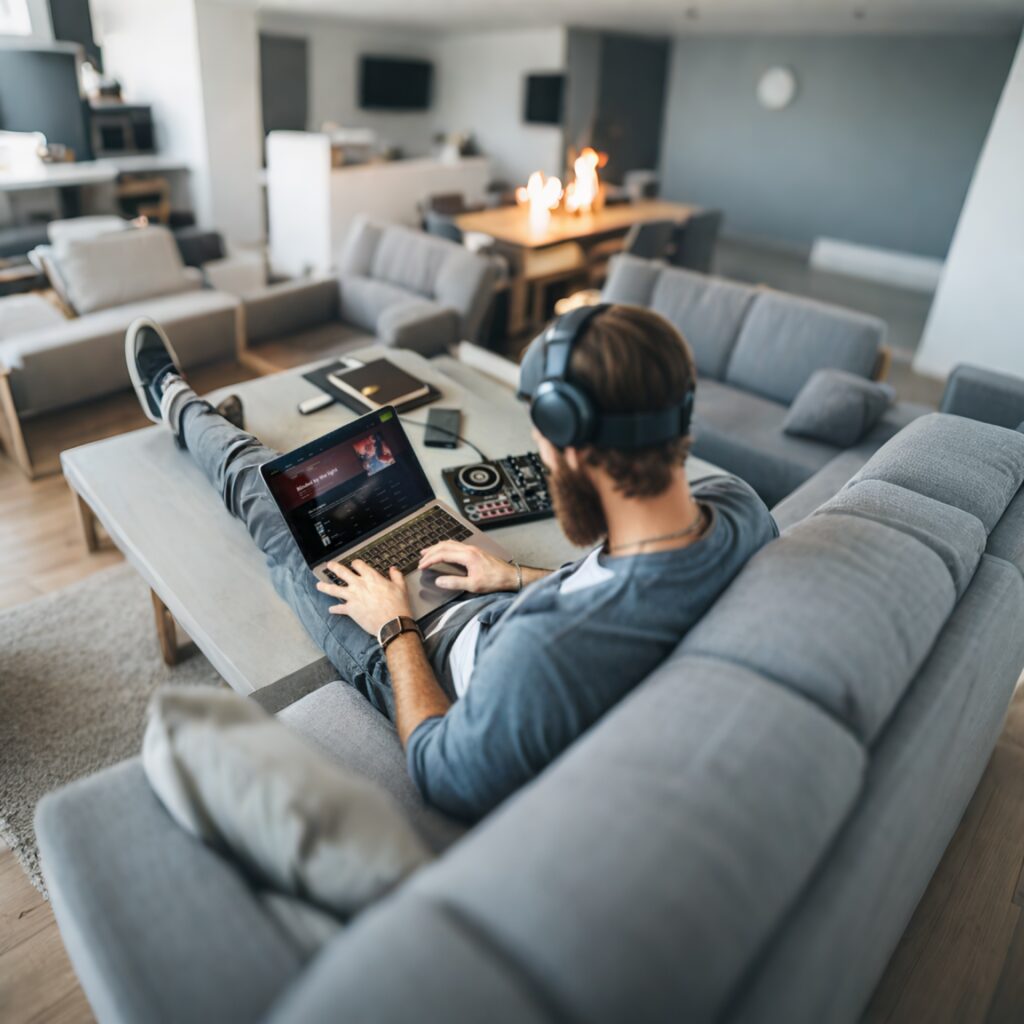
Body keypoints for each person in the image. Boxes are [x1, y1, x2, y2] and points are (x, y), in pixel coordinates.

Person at [124, 304, 776, 821]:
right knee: (382, 502)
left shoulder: (544, 654)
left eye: (543, 440)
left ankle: (175, 401)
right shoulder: (736, 508)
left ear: (575, 446)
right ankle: (231, 430)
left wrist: (394, 626)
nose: (541, 455)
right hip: (498, 607)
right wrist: (515, 576)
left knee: (264, 495)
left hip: (427, 652)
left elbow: (439, 770)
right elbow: (619, 589)